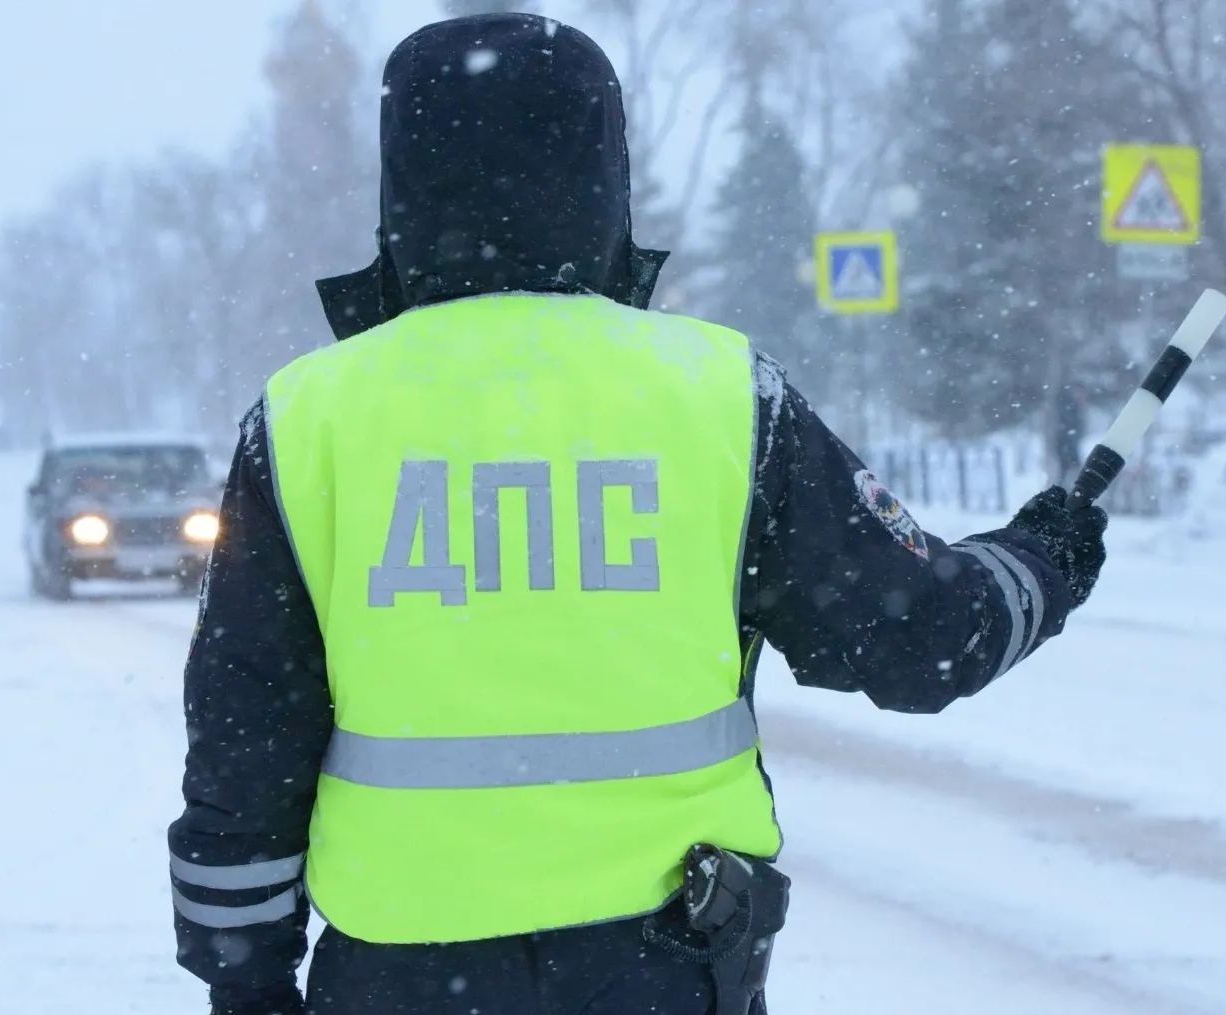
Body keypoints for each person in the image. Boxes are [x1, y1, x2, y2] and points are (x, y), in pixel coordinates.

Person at [168, 13, 1109, 1015]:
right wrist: (1038, 558)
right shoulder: (720, 393)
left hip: (398, 973)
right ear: (602, 175)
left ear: (400, 185)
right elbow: (921, 639)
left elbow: (245, 738)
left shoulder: (309, 415)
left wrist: (247, 980)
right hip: (665, 964)